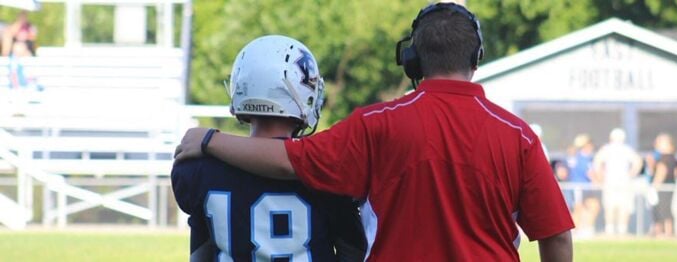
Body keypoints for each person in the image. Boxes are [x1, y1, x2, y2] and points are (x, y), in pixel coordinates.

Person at [175, 3, 574, 261]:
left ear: (411, 60)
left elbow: (288, 160)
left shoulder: (377, 123)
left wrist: (209, 140)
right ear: (477, 58)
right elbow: (555, 237)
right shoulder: (518, 135)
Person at [171, 36, 366, 261]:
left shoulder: (199, 169)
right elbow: (353, 252)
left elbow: (200, 253)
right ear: (301, 93)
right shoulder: (326, 167)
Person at [593, 128, 642, 236]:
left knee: (619, 205)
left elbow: (597, 163)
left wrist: (601, 176)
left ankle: (616, 228)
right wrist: (630, 175)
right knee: (613, 205)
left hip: (618, 181)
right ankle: (615, 228)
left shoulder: (615, 149)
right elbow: (638, 162)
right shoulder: (621, 149)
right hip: (616, 181)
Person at [566, 134, 600, 238]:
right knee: (578, 207)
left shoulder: (586, 158)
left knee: (593, 206)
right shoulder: (580, 158)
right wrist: (598, 181)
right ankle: (575, 230)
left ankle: (586, 228)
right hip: (579, 187)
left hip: (586, 187)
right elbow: (590, 173)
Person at [650, 133, 677, 237]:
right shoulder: (672, 158)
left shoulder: (664, 159)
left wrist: (654, 187)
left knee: (663, 210)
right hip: (670, 186)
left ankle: (666, 232)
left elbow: (661, 172)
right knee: (661, 209)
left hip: (663, 187)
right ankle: (662, 232)